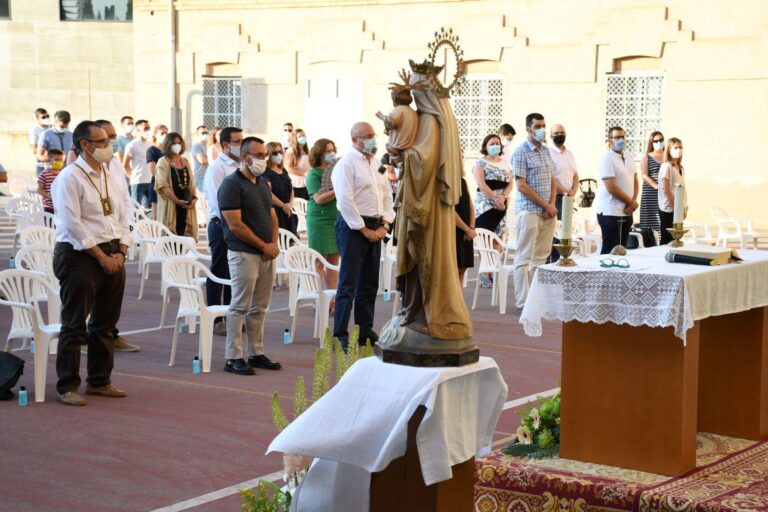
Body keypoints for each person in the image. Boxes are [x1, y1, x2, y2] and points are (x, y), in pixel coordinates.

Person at [51, 120, 132, 406]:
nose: (109, 146)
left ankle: (99, 381)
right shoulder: (70, 177)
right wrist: (100, 257)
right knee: (74, 324)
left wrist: (121, 251)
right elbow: (72, 223)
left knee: (105, 324)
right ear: (85, 145)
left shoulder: (111, 172)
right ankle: (67, 385)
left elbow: (123, 212)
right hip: (79, 255)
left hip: (113, 250)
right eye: (101, 141)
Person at [218, 136, 282, 375]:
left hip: (266, 253)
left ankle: (256, 352)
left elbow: (272, 216)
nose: (263, 159)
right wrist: (263, 246)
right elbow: (235, 225)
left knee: (260, 307)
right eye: (258, 155)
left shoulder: (262, 183)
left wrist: (272, 243)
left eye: (265, 155)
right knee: (240, 306)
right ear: (244, 157)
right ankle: (233, 357)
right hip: (244, 253)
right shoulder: (231, 184)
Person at [332, 122, 395, 349]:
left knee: (369, 283)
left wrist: (385, 224)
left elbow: (387, 195)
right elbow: (345, 200)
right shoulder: (346, 164)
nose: (372, 139)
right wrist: (363, 229)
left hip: (376, 225)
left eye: (373, 135)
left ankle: (364, 330)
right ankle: (340, 334)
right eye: (366, 136)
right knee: (348, 283)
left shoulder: (377, 164)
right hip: (353, 227)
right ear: (354, 140)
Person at [511, 113, 558, 310]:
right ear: (528, 129)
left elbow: (553, 180)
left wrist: (552, 205)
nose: (542, 130)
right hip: (529, 211)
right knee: (524, 258)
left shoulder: (546, 151)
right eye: (537, 126)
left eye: (543, 126)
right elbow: (521, 185)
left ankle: (536, 300)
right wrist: (545, 205)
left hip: (548, 213)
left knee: (541, 257)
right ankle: (523, 303)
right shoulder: (520, 152)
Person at [203, 127, 243, 336]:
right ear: (226, 144)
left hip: (239, 225)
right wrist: (233, 219)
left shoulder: (242, 165)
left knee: (234, 271)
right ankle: (215, 316)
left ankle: (231, 315)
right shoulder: (217, 168)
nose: (240, 145)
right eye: (237, 142)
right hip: (221, 225)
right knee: (219, 270)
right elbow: (217, 200)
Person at [595, 126, 639, 254]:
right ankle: (603, 274)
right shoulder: (607, 158)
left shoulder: (629, 156)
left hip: (627, 211)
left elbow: (634, 180)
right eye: (617, 137)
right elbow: (612, 187)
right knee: (610, 250)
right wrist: (631, 202)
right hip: (610, 212)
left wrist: (633, 201)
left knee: (622, 250)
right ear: (609, 141)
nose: (621, 140)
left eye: (623, 137)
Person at [306, 138, 340, 293]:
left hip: (336, 218)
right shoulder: (313, 174)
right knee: (319, 262)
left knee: (334, 261)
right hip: (319, 220)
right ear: (319, 153)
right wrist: (337, 189)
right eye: (328, 151)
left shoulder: (336, 171)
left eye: (333, 150)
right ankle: (317, 297)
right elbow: (319, 199)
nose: (331, 153)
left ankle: (332, 298)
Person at [155, 132, 198, 238]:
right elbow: (163, 185)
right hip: (171, 205)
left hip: (186, 206)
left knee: (185, 237)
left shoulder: (185, 161)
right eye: (173, 143)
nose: (177, 145)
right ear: (168, 145)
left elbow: (191, 183)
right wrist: (177, 201)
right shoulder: (162, 162)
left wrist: (193, 199)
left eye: (179, 143)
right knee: (170, 238)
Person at [473, 134, 514, 234]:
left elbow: (511, 183)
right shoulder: (480, 162)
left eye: (497, 143)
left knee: (498, 238)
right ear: (485, 147)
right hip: (486, 206)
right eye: (492, 144)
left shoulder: (505, 162)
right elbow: (481, 184)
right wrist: (497, 200)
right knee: (483, 238)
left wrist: (503, 197)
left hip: (502, 205)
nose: (495, 146)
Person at [263, 142, 297, 235]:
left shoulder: (283, 170)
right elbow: (268, 193)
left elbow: (291, 188)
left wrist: (289, 205)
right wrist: (283, 206)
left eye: (280, 152)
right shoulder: (266, 171)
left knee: (291, 241)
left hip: (288, 210)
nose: (279, 155)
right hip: (276, 212)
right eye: (275, 153)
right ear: (269, 154)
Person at [547, 123, 579, 220]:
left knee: (566, 231)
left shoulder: (569, 154)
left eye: (562, 133)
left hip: (569, 198)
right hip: (555, 198)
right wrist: (564, 192)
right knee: (556, 232)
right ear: (551, 136)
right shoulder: (548, 153)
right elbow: (549, 177)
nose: (560, 135)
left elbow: (575, 174)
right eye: (556, 133)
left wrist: (574, 190)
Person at [658, 137, 686, 245]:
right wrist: (676, 207)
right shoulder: (666, 166)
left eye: (680, 147)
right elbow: (666, 189)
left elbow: (682, 188)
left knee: (675, 240)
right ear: (669, 149)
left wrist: (684, 206)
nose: (679, 150)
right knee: (666, 240)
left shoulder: (681, 168)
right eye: (676, 147)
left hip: (677, 209)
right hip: (668, 209)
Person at [639, 131, 665, 246]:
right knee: (650, 223)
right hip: (650, 194)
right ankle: (649, 244)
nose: (659, 143)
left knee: (662, 221)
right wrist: (656, 186)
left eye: (661, 140)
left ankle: (662, 244)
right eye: (656, 141)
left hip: (665, 194)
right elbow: (644, 176)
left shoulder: (667, 156)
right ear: (651, 142)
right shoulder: (647, 156)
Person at [123, 120, 152, 207]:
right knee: (135, 209)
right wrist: (132, 177)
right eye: (145, 128)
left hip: (149, 181)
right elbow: (125, 164)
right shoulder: (132, 145)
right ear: (138, 130)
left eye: (149, 128)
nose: (147, 130)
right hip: (138, 182)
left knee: (148, 210)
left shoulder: (150, 144)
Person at [454, 170, 476, 286]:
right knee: (454, 271)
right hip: (454, 231)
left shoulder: (463, 181)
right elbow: (449, 211)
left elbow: (470, 205)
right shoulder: (446, 181)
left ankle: (459, 302)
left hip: (467, 232)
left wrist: (471, 227)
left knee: (462, 269)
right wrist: (467, 229)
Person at [147, 125, 168, 219]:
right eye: (162, 133)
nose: (165, 135)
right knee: (156, 216)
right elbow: (153, 170)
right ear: (156, 135)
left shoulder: (168, 150)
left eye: (166, 133)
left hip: (169, 185)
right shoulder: (152, 150)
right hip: (157, 184)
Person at [37, 148, 65, 213]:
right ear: (49, 160)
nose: (59, 162)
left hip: (61, 206)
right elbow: (39, 190)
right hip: (49, 207)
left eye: (61, 160)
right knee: (49, 223)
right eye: (56, 160)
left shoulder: (64, 174)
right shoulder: (44, 174)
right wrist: (51, 197)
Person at [285, 128, 310, 200]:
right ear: (294, 138)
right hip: (297, 186)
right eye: (300, 136)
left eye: (304, 136)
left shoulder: (307, 150)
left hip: (307, 184)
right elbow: (288, 168)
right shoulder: (291, 151)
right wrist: (304, 173)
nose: (303, 138)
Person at [30, 108, 50, 177]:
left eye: (47, 116)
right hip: (42, 166)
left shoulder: (53, 127)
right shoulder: (35, 130)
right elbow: (34, 149)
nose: (46, 118)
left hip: (55, 164)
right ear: (38, 119)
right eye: (43, 117)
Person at [191, 125, 209, 190]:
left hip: (209, 176)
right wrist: (214, 158)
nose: (205, 134)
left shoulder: (209, 145)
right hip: (200, 177)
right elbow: (202, 160)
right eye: (203, 133)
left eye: (206, 133)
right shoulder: (196, 146)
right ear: (198, 134)